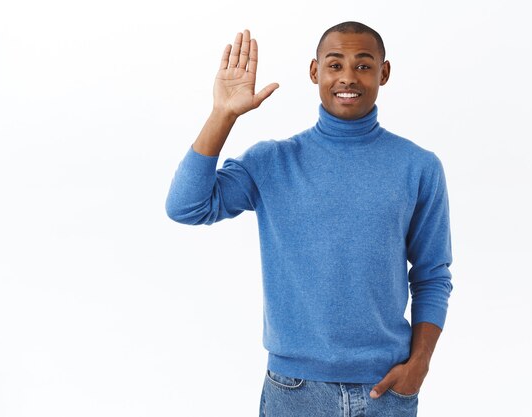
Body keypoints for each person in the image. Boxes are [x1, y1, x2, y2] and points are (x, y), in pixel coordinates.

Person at [165, 21, 453, 417]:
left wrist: (419, 364)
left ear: (384, 73)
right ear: (315, 72)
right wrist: (223, 114)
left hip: (387, 389)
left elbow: (432, 274)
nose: (348, 77)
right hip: (295, 392)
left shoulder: (418, 166)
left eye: (364, 66)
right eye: (335, 65)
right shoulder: (272, 162)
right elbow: (186, 206)